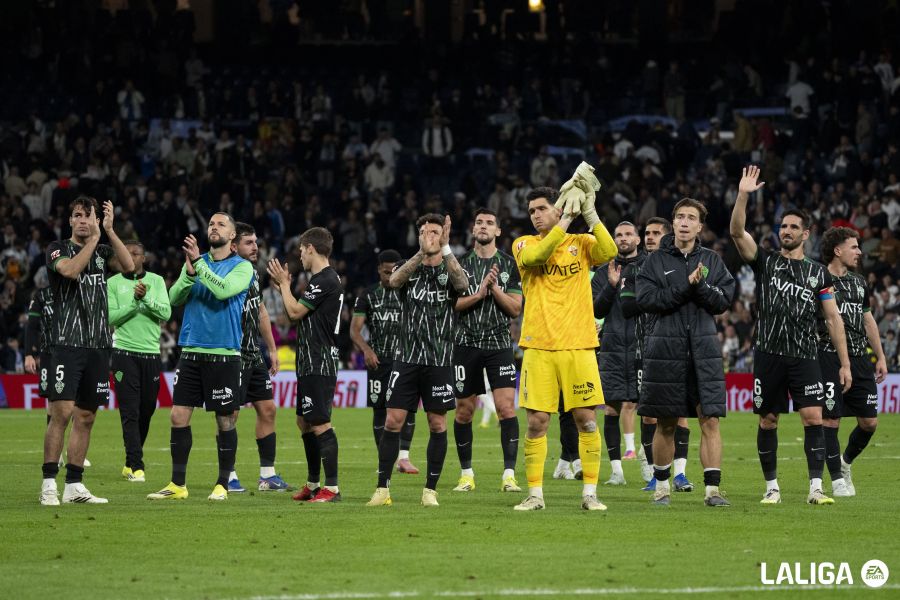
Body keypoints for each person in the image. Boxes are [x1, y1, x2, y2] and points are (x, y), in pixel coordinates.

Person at [730, 165, 851, 506]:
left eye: (793, 227)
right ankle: (772, 487)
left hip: (805, 355)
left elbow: (833, 319)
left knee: (813, 417)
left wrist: (844, 363)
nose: (786, 230)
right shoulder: (765, 261)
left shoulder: (818, 274)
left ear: (806, 234)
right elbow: (738, 233)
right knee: (768, 420)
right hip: (769, 353)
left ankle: (816, 488)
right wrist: (743, 194)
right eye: (783, 226)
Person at [511, 177, 618, 512]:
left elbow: (610, 251)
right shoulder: (523, 244)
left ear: (557, 208)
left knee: (586, 419)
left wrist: (590, 212)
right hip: (539, 346)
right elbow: (541, 254)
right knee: (536, 422)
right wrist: (565, 220)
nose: (536, 215)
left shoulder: (581, 243)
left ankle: (589, 493)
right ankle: (535, 495)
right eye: (532, 211)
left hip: (579, 345)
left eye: (543, 209)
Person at [636, 199, 735, 507]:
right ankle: (662, 489)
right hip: (665, 350)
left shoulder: (712, 260)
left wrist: (700, 286)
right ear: (674, 222)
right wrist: (686, 287)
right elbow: (648, 299)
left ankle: (712, 491)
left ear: (699, 227)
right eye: (679, 216)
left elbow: (722, 300)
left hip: (703, 352)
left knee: (710, 420)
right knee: (666, 422)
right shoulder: (653, 261)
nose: (684, 222)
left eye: (691, 218)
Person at [148, 213, 253, 501]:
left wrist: (200, 265)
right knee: (178, 415)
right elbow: (173, 298)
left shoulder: (242, 268)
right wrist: (191, 273)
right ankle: (177, 485)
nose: (213, 227)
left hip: (223, 353)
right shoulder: (196, 263)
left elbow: (224, 291)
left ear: (232, 235)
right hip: (192, 350)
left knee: (224, 420)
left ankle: (222, 484)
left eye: (220, 224)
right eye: (210, 224)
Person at [366, 214, 469, 507]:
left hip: (439, 361)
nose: (428, 236)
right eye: (423, 231)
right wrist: (420, 254)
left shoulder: (452, 267)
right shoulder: (407, 268)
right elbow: (394, 281)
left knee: (437, 424)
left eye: (434, 231)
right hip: (407, 359)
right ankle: (382, 489)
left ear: (444, 235)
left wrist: (446, 249)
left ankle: (430, 490)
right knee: (393, 420)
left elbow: (462, 286)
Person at [40, 196, 135, 505]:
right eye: (77, 215)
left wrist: (108, 231)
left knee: (86, 416)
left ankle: (74, 485)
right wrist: (93, 239)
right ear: (70, 221)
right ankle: (49, 484)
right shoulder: (56, 248)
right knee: (62, 413)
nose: (82, 220)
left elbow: (130, 266)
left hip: (98, 345)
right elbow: (68, 271)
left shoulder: (102, 250)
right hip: (67, 343)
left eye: (88, 216)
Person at [267, 227, 345, 503]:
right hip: (309, 359)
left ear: (311, 248)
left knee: (320, 422)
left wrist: (284, 286)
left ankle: (332, 489)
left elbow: (294, 312)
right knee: (304, 421)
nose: (300, 254)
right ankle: (313, 484)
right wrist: (284, 287)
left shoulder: (324, 279)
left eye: (301, 249)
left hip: (319, 360)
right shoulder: (322, 279)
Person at [451, 208, 523, 493]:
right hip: (465, 344)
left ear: (498, 232)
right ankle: (466, 474)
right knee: (464, 412)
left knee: (506, 409)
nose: (483, 226)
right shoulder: (458, 265)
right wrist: (479, 293)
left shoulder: (509, 264)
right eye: (478, 222)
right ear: (473, 229)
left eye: (489, 223)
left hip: (499, 346)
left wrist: (494, 290)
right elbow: (451, 305)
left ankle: (508, 475)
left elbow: (515, 308)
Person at [621, 218, 695, 492]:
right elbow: (629, 306)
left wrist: (660, 295)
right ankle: (655, 472)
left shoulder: (681, 264)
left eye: (656, 233)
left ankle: (681, 474)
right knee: (649, 414)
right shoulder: (634, 268)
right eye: (647, 233)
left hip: (680, 345)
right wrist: (660, 295)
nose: (650, 237)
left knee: (682, 412)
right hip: (648, 346)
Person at [818, 227, 887, 497]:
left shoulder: (859, 282)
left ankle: (845, 463)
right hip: (828, 356)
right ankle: (836, 480)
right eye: (854, 246)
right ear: (838, 250)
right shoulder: (819, 279)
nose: (859, 252)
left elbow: (867, 319)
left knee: (870, 422)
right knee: (830, 420)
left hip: (860, 359)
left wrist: (879, 356)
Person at [227, 223, 291, 492]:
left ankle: (267, 475)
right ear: (233, 246)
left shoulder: (252, 273)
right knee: (230, 414)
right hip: (232, 354)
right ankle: (227, 475)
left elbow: (260, 309)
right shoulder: (226, 273)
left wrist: (272, 349)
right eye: (249, 243)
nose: (255, 247)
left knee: (268, 409)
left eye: (256, 242)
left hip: (253, 354)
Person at [350, 249, 419, 474]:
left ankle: (404, 458)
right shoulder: (368, 295)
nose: (389, 276)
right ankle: (385, 458)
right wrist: (367, 350)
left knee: (408, 409)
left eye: (394, 272)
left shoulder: (410, 292)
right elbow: (354, 330)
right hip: (378, 361)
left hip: (406, 360)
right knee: (380, 411)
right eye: (385, 272)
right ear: (378, 270)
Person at [107, 241, 171, 483]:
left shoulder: (155, 281)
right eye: (126, 253)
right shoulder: (112, 284)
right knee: (130, 411)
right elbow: (111, 317)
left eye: (135, 254)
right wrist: (135, 302)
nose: (130, 257)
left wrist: (144, 300)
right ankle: (137, 465)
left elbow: (166, 313)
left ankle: (128, 461)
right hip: (124, 353)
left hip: (151, 354)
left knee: (147, 410)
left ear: (144, 258)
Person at [592, 221, 644, 486]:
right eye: (618, 235)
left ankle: (649, 468)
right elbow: (596, 310)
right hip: (611, 349)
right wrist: (611, 286)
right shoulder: (603, 272)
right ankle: (616, 472)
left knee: (648, 410)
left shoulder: (650, 266)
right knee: (611, 408)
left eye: (628, 234)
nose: (623, 238)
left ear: (637, 238)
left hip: (642, 348)